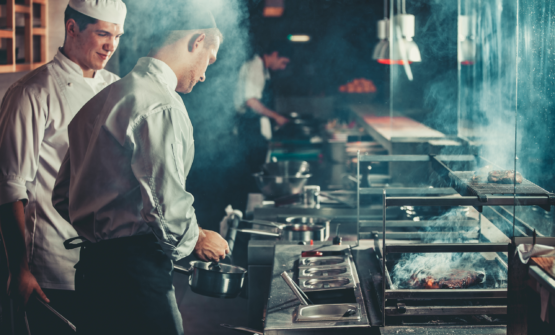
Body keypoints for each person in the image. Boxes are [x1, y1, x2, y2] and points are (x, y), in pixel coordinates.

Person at [51, 6, 228, 335]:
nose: (204, 74)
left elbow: (62, 196)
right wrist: (198, 238)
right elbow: (166, 207)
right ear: (198, 41)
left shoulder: (101, 100)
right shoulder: (160, 103)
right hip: (136, 282)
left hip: (91, 276)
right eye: (210, 58)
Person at [0, 0, 126, 333]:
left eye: (117, 35)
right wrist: (19, 268)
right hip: (51, 263)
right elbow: (11, 186)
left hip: (106, 260)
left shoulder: (116, 87)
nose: (111, 45)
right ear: (72, 28)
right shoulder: (31, 92)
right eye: (102, 33)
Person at [234, 45, 291, 173]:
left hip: (253, 127)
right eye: (284, 62)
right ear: (275, 54)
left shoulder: (263, 69)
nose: (283, 67)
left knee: (257, 171)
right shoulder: (255, 67)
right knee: (254, 172)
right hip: (250, 128)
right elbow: (251, 102)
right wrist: (277, 117)